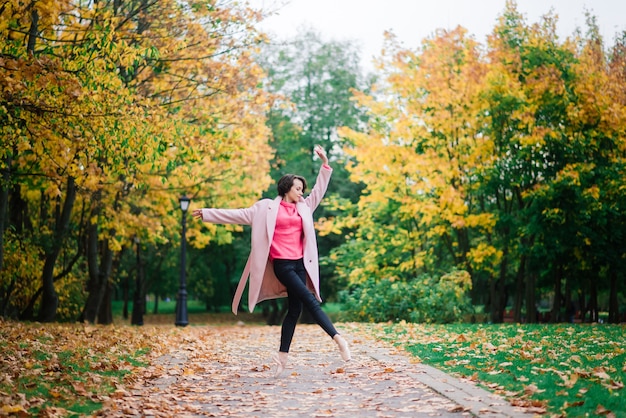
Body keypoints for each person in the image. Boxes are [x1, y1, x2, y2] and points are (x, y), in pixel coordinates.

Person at [192, 145, 351, 377]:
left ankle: (282, 357)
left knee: (294, 310)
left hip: (300, 265)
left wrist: (325, 164)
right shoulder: (266, 208)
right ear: (287, 188)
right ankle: (339, 340)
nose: (301, 192)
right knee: (309, 300)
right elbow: (238, 215)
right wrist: (208, 213)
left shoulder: (304, 208)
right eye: (298, 188)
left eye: (302, 189)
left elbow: (319, 190)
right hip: (283, 265)